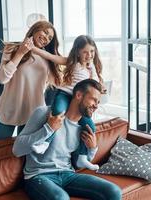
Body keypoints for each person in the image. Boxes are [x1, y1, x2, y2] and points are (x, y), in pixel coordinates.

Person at [13, 79, 122, 200]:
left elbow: (79, 164)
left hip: (68, 174)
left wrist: (92, 148)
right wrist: (48, 128)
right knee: (61, 198)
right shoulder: (44, 113)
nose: (96, 106)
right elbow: (17, 149)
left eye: (98, 102)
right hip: (38, 176)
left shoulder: (83, 127)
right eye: (93, 100)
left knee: (114, 191)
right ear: (79, 95)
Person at [31, 35, 104, 170]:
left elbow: (95, 85)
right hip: (64, 95)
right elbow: (51, 57)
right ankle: (45, 142)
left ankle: (82, 158)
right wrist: (33, 48)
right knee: (58, 112)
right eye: (85, 52)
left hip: (78, 101)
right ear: (77, 52)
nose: (89, 55)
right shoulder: (73, 63)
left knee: (90, 128)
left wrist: (101, 88)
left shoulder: (91, 68)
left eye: (92, 51)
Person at [0, 21, 61, 141]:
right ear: (35, 29)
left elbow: (58, 82)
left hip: (33, 113)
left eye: (50, 38)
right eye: (45, 32)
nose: (46, 38)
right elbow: (2, 78)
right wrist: (21, 52)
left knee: (23, 155)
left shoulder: (47, 59)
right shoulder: (11, 48)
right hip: (9, 108)